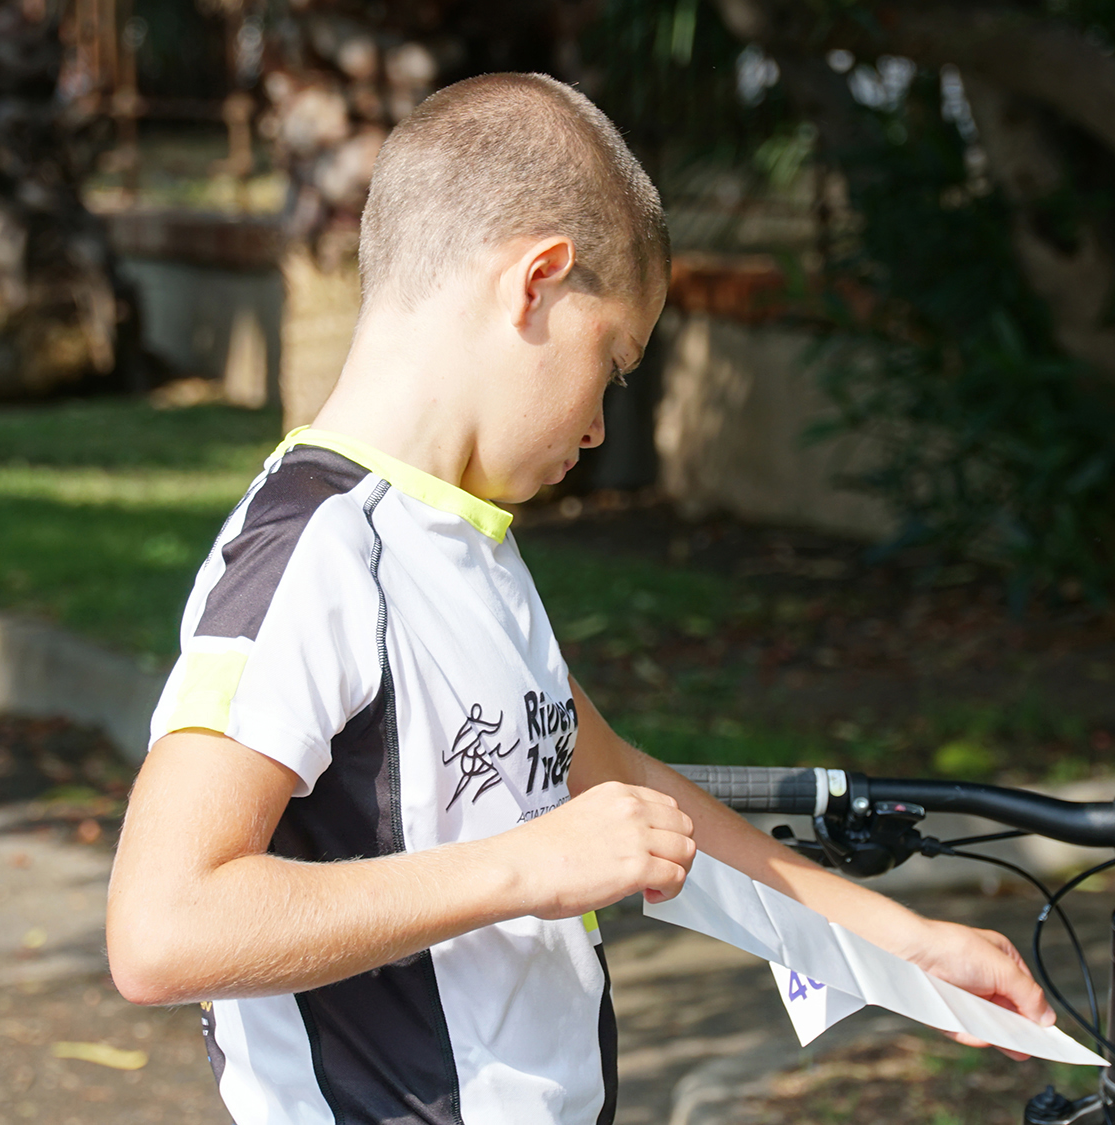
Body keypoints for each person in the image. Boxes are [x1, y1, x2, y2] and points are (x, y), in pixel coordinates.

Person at [105, 71, 1051, 1125]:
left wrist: (900, 944)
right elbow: (162, 928)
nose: (598, 426)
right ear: (537, 281)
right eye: (610, 361)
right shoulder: (316, 551)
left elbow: (623, 794)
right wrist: (524, 867)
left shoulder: (465, 539)